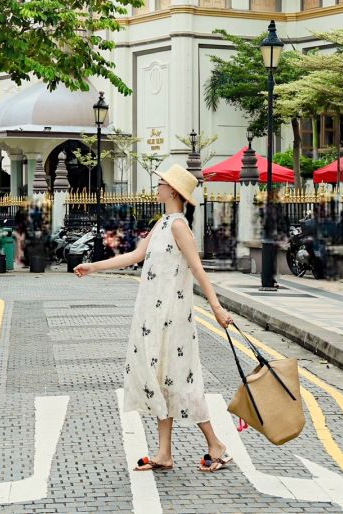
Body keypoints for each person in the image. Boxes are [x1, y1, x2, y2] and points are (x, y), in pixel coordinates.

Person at [76, 165, 234, 473]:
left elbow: (198, 270)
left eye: (161, 183)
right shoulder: (162, 223)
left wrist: (216, 308)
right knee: (162, 378)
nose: (157, 187)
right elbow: (135, 257)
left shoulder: (178, 227)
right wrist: (93, 266)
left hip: (174, 319)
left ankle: (216, 445)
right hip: (153, 316)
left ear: (173, 191)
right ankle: (164, 454)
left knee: (182, 379)